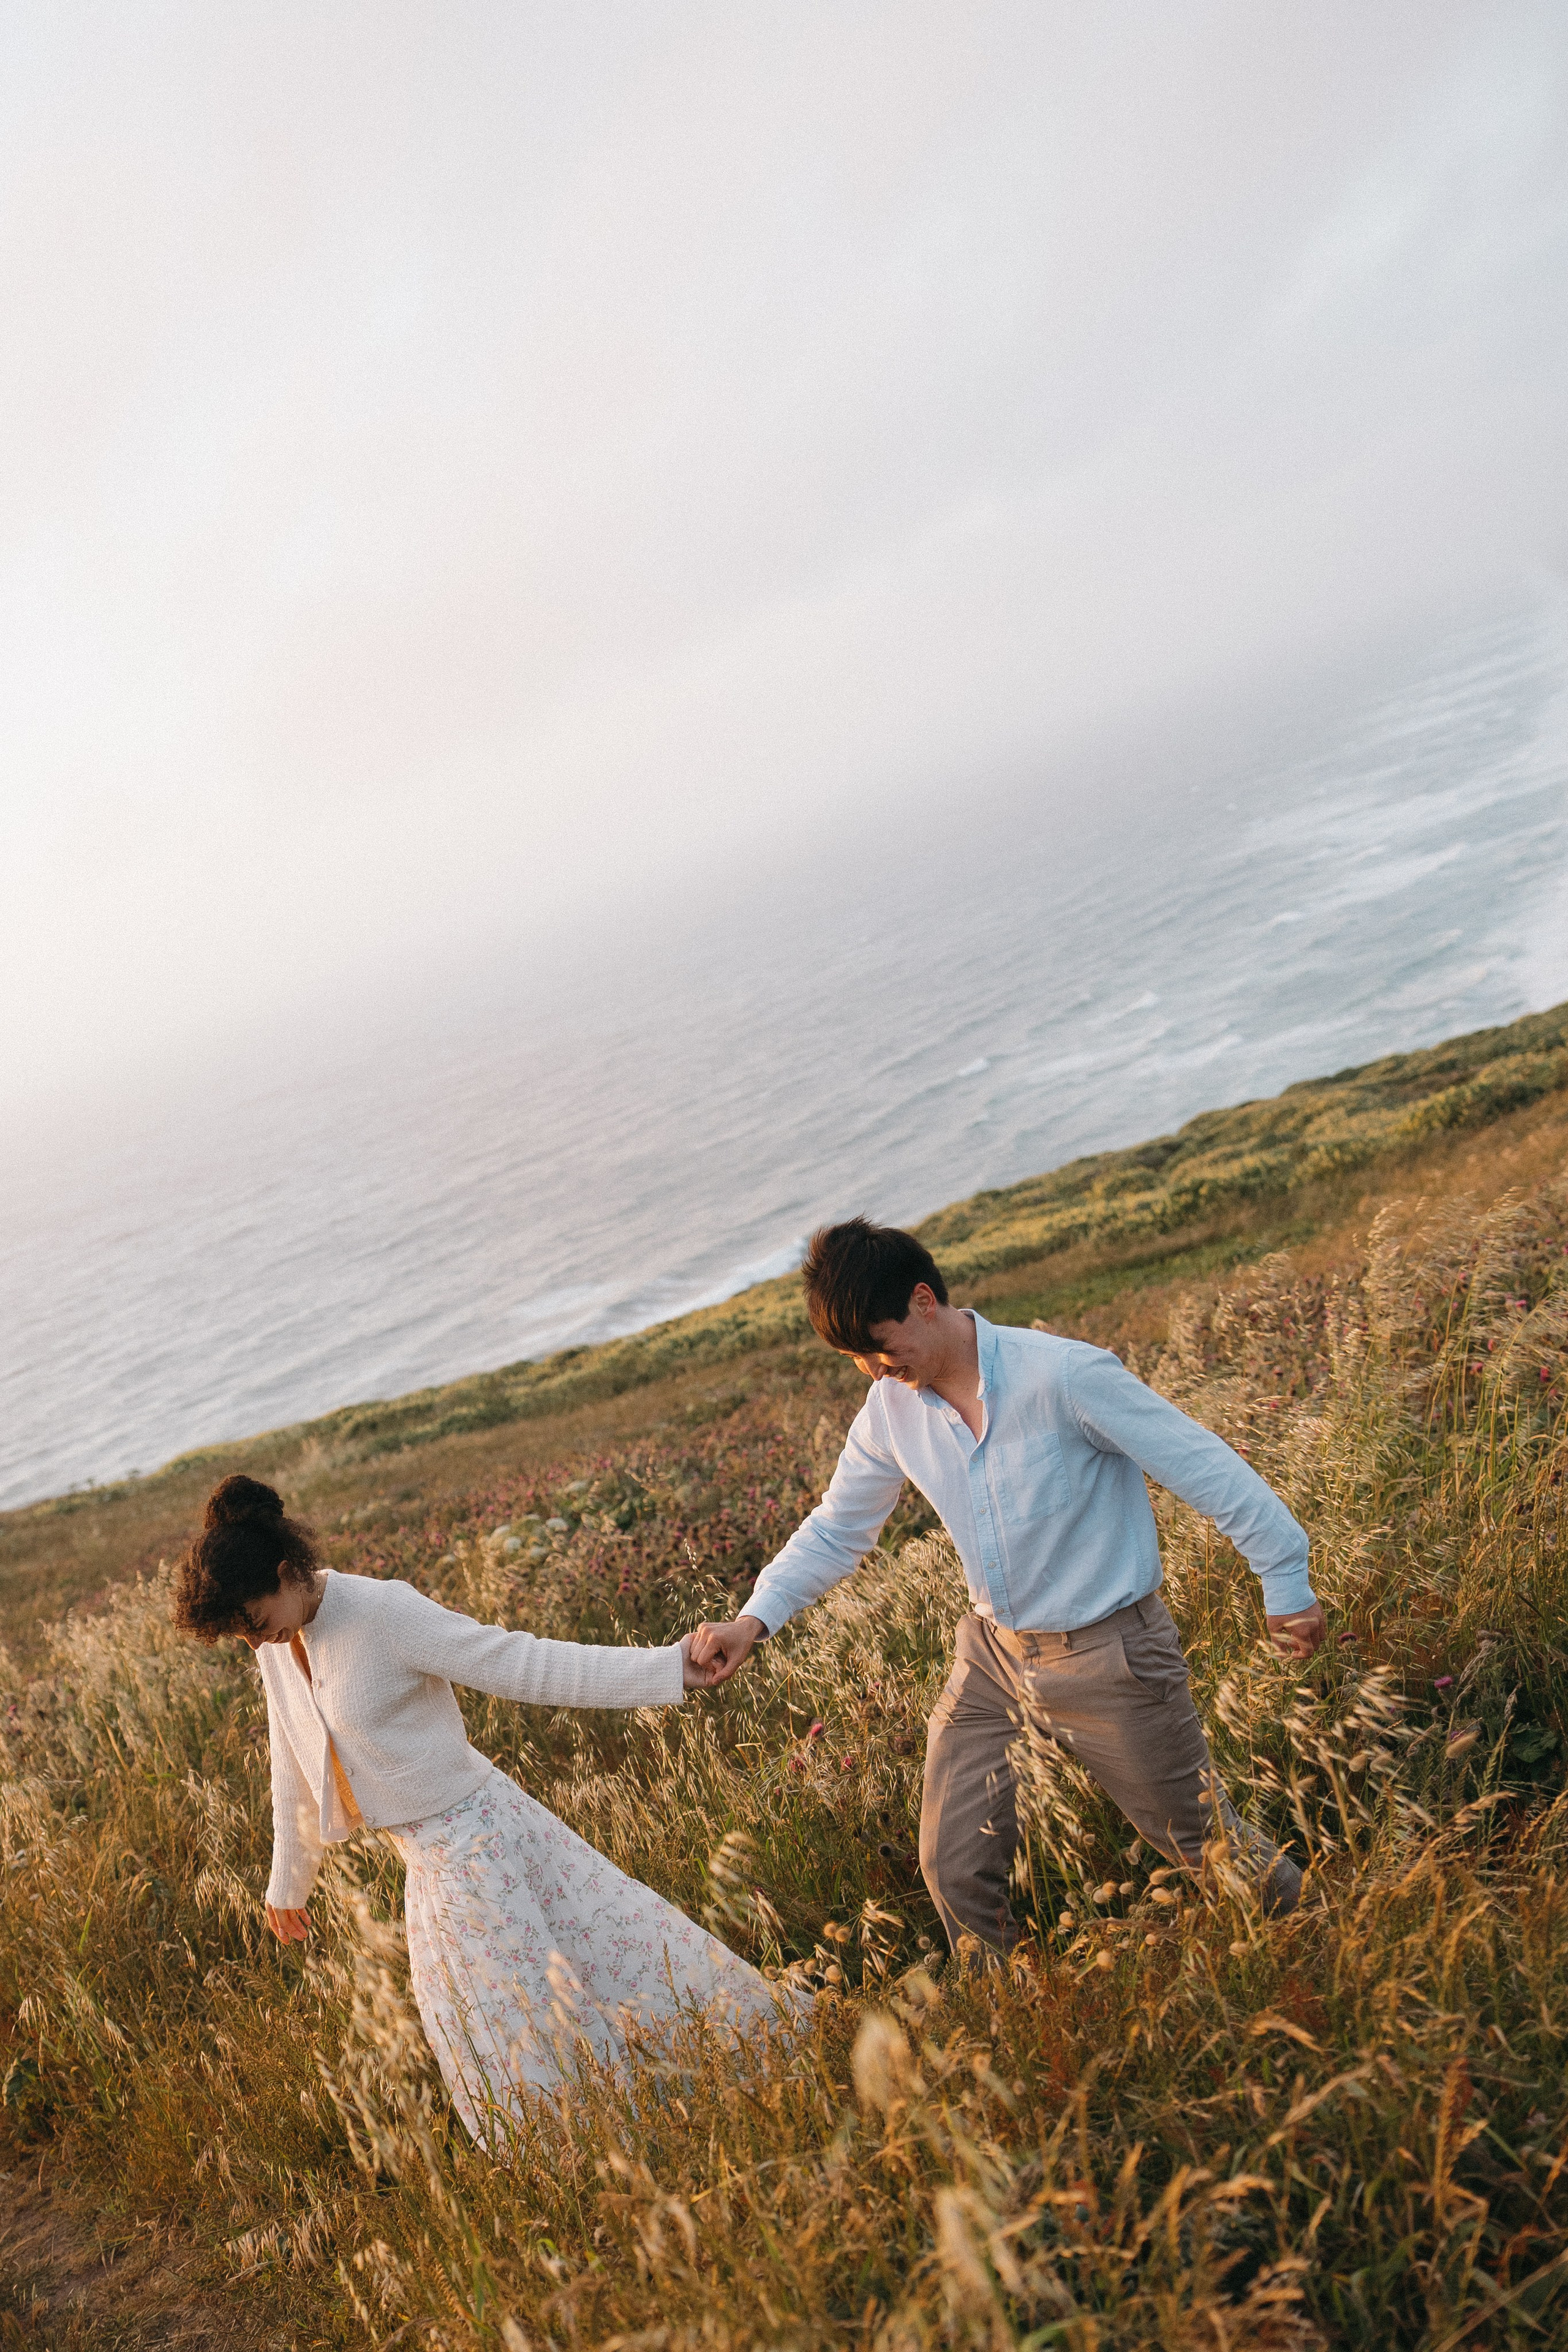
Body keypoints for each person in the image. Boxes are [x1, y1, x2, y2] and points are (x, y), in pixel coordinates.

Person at [690, 1219, 1326, 1953]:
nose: (872, 1370)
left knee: (1206, 1847)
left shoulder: (1064, 1376)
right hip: (992, 1656)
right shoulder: (889, 1411)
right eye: (855, 1358)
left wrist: (1285, 1578)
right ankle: (1012, 2002)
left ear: (923, 1301)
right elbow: (837, 1529)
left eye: (880, 1346)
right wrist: (752, 1621)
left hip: (1111, 1655)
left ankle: (1327, 1936)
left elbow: (1203, 1467)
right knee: (952, 1864)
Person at [173, 1475, 784, 2142]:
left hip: (480, 1840)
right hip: (427, 1863)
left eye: (254, 1622)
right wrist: (288, 1883)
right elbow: (289, 1763)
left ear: (285, 1573)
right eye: (240, 1635)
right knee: (506, 2013)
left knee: (549, 1997)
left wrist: (670, 1670)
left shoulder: (382, 1611)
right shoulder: (277, 1644)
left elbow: (521, 1663)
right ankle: (593, 2146)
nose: (255, 1643)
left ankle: (610, 2138)